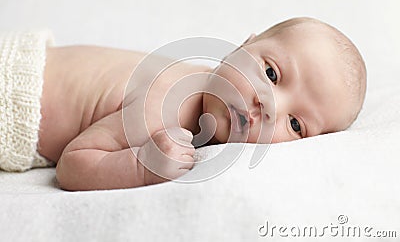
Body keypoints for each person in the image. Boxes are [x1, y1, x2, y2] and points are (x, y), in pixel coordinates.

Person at [0, 17, 366, 191]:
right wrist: (143, 167)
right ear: (241, 46)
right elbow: (73, 164)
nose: (269, 106)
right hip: (13, 88)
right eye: (271, 74)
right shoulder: (168, 104)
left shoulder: (204, 81)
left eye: (296, 125)